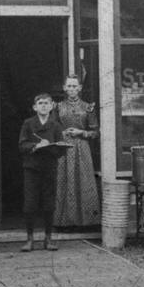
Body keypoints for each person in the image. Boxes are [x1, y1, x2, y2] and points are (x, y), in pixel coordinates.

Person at [18, 92, 66, 252]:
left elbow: (61, 149)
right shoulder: (28, 124)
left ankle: (48, 239)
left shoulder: (56, 125)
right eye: (40, 103)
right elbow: (22, 145)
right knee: (30, 204)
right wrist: (36, 146)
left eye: (47, 103)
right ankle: (30, 239)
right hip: (31, 169)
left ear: (52, 106)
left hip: (49, 168)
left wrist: (51, 145)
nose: (44, 106)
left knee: (49, 204)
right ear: (34, 107)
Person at [53, 75, 100, 229]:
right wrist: (62, 132)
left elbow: (95, 132)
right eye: (69, 86)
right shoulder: (58, 107)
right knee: (65, 180)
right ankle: (65, 221)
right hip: (64, 147)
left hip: (82, 148)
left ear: (80, 88)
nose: (72, 89)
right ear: (64, 88)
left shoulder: (88, 107)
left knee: (83, 180)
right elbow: (52, 129)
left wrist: (81, 132)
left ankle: (86, 222)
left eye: (75, 86)